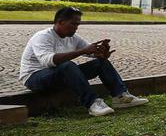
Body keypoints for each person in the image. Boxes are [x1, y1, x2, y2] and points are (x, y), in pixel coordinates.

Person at [18, 6, 148, 117]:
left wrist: (101, 54)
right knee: (68, 65)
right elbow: (49, 61)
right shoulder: (43, 36)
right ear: (60, 22)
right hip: (35, 78)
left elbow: (89, 51)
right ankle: (92, 103)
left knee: (100, 63)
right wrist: (82, 51)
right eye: (73, 24)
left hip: (59, 75)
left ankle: (120, 96)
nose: (76, 28)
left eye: (78, 24)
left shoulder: (73, 37)